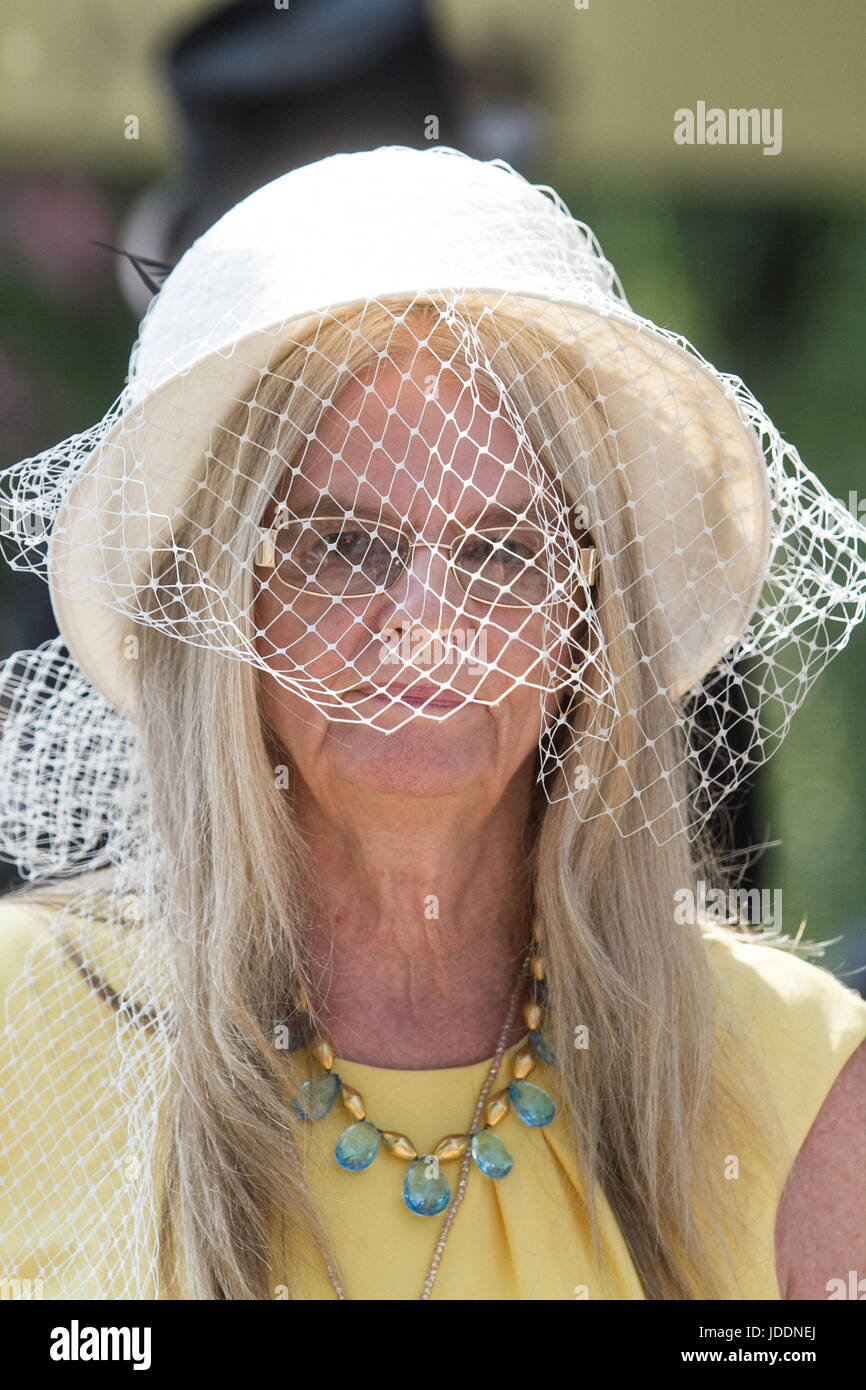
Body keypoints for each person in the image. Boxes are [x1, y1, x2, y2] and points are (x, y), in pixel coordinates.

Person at [0, 146, 864, 1301]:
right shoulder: (22, 1024)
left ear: (584, 619)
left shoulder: (795, 1075)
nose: (425, 627)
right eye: (342, 546)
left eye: (503, 554)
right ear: (216, 605)